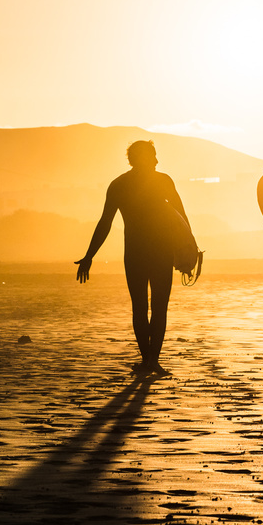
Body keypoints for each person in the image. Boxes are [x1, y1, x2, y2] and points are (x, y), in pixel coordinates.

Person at [76, 140, 189, 374]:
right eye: (154, 156)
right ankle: (152, 362)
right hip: (160, 252)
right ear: (143, 158)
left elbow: (105, 223)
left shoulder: (119, 185)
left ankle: (147, 360)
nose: (157, 161)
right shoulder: (162, 181)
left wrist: (89, 256)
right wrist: (188, 251)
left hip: (135, 254)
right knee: (159, 308)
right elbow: (182, 219)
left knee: (139, 307)